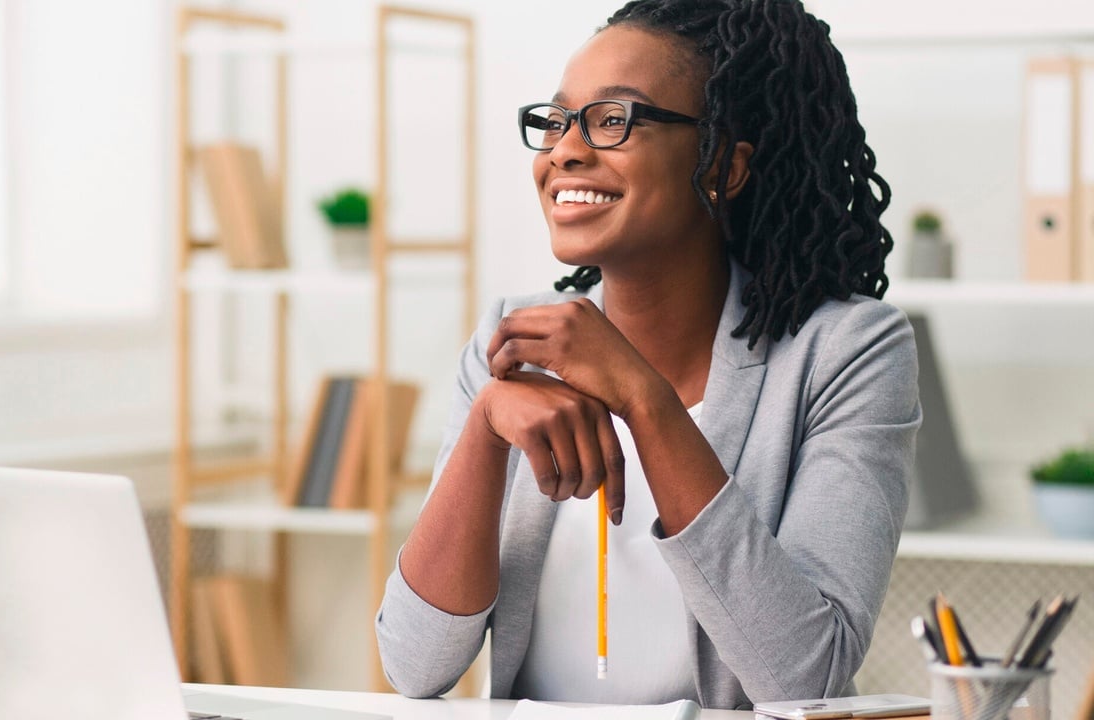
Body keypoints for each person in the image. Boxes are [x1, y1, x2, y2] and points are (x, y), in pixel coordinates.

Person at [375, 0, 920, 709]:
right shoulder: (513, 341)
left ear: (723, 163)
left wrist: (644, 398)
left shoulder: (847, 352)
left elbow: (804, 681)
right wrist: (484, 430)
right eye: (557, 121)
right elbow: (413, 667)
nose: (566, 149)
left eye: (613, 120)